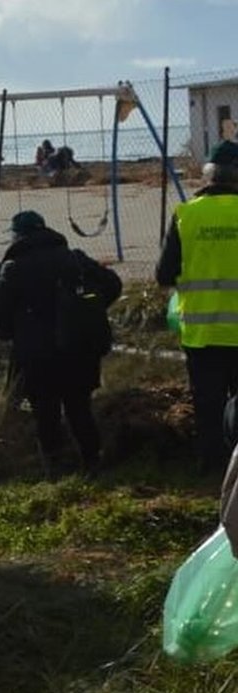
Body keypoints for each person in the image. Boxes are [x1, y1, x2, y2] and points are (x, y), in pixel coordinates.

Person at [0, 211, 121, 475]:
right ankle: (92, 461)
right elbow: (113, 284)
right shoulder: (74, 258)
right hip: (79, 348)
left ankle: (56, 468)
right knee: (80, 408)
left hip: (38, 355)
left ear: (18, 236)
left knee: (46, 413)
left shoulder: (14, 268)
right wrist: (90, 309)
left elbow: (1, 320)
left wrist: (18, 329)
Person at [158, 162, 238, 473]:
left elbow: (165, 274)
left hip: (203, 333)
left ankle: (213, 464)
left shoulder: (186, 214)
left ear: (207, 180)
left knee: (208, 403)